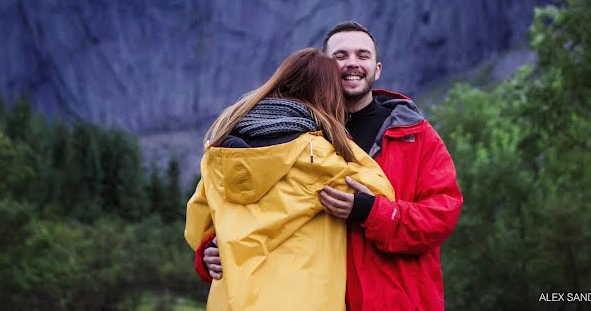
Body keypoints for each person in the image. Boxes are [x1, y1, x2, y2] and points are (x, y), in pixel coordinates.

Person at [197, 22, 463, 311]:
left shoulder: (415, 135)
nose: (352, 63)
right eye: (340, 56)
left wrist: (371, 212)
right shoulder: (295, 135)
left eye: (363, 55)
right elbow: (234, 204)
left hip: (396, 302)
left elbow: (443, 213)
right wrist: (211, 250)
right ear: (324, 68)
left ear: (377, 69)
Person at [184, 48, 395, 310]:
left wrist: (209, 249)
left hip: (230, 299)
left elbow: (197, 229)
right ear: (327, 95)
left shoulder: (221, 153)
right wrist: (340, 136)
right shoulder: (316, 156)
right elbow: (381, 190)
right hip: (301, 298)